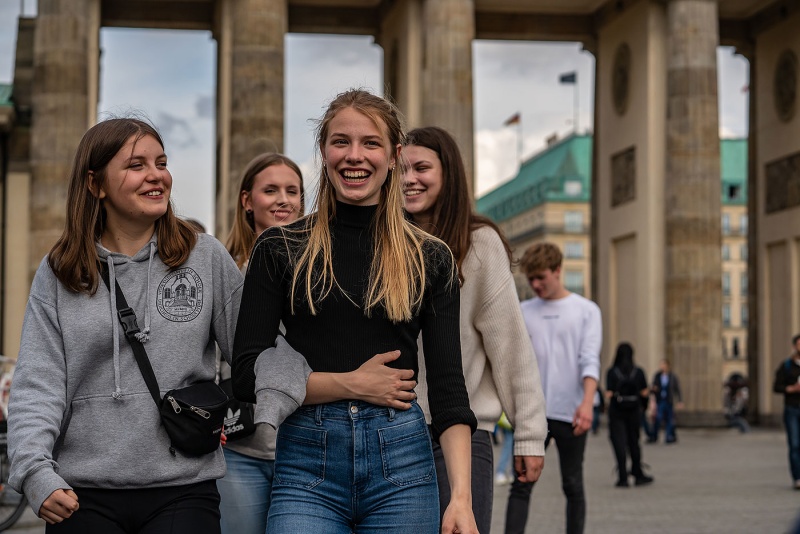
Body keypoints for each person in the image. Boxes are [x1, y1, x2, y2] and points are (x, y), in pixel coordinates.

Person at [231, 89, 479, 534]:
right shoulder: (281, 248)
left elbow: (447, 388)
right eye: (340, 142)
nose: (354, 156)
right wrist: (350, 384)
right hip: (307, 458)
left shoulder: (431, 257)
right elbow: (247, 373)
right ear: (324, 152)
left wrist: (461, 497)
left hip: (401, 458)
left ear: (394, 155)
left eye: (370, 143)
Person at [7, 118, 243, 532]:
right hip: (82, 493)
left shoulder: (204, 255)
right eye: (136, 165)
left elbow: (257, 351)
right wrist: (35, 474)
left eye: (161, 162)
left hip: (184, 486)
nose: (156, 175)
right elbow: (37, 385)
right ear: (96, 184)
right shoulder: (59, 270)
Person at [403, 125, 547, 531]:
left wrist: (529, 435)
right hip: (390, 435)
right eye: (399, 170)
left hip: (465, 435)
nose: (408, 179)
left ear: (448, 174)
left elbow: (511, 346)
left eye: (421, 168)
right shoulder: (384, 242)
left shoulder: (479, 244)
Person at [217, 153, 304, 534]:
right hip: (240, 447)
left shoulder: (325, 266)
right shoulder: (225, 268)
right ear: (247, 201)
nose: (283, 200)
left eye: (292, 191)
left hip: (305, 446)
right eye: (271, 190)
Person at [504, 242, 601, 534]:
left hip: (571, 411)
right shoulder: (523, 310)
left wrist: (587, 403)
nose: (535, 284)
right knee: (521, 485)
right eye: (530, 279)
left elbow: (589, 359)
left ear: (558, 271)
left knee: (572, 484)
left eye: (540, 277)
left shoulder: (586, 310)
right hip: (533, 414)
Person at [605, 342, 653, 487]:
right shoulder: (638, 372)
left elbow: (608, 394)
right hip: (634, 412)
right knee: (634, 442)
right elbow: (645, 392)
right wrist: (643, 406)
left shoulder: (612, 372)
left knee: (619, 444)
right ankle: (637, 473)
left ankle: (623, 477)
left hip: (617, 413)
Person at [772, 333, 800, 490]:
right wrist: (791, 389)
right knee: (794, 444)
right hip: (792, 409)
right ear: (794, 346)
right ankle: (797, 477)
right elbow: (776, 387)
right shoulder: (787, 366)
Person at [649, 359, 683, 444]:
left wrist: (680, 401)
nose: (662, 367)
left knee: (669, 419)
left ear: (667, 366)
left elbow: (677, 389)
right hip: (660, 400)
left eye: (664, 365)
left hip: (668, 400)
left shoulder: (672, 376)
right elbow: (653, 386)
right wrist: (653, 389)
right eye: (661, 365)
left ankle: (668, 436)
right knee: (658, 417)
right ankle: (655, 435)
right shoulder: (657, 375)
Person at [494, 413, 515, 485]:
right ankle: (501, 471)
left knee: (510, 446)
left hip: (508, 420)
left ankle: (510, 471)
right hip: (510, 420)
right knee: (509, 446)